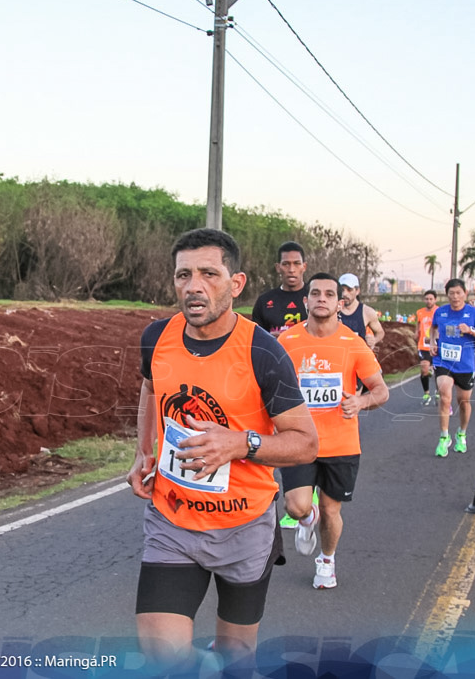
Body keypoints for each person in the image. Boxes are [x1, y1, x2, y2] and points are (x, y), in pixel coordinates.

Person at [126, 229, 318, 672]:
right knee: (161, 654)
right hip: (173, 520)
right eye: (184, 275)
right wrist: (143, 450)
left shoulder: (262, 352)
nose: (194, 286)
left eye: (209, 274)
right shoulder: (157, 338)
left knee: (236, 658)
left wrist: (241, 443)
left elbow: (306, 443)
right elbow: (150, 389)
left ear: (236, 284)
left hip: (244, 526)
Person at [278, 273, 388, 589]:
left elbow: (381, 390)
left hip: (341, 442)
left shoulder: (353, 343)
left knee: (330, 510)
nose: (321, 298)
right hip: (299, 439)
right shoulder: (288, 341)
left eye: (329, 294)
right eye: (315, 293)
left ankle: (326, 561)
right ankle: (305, 520)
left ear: (339, 303)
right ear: (306, 301)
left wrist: (361, 401)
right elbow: (271, 386)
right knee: (297, 505)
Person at [430, 279, 475, 457]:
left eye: (458, 293)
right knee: (445, 396)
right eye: (451, 293)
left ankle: (461, 434)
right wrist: (433, 342)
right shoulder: (440, 312)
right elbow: (433, 328)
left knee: (463, 402)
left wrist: (471, 331)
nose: (455, 297)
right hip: (443, 361)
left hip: (465, 363)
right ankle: (443, 437)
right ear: (446, 294)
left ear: (465, 293)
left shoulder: (474, 313)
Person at [250, 241, 308, 337]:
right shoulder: (264, 301)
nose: (291, 270)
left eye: (297, 263)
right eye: (286, 264)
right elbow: (256, 339)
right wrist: (271, 339)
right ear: (278, 267)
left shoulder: (315, 297)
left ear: (304, 267)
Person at [337, 273, 386, 351]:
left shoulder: (367, 312)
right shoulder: (333, 310)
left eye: (349, 290)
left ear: (357, 291)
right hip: (338, 355)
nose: (344, 294)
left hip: (358, 356)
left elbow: (380, 332)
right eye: (342, 290)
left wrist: (373, 340)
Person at [414, 290, 439, 405]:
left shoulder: (439, 312)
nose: (428, 301)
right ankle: (426, 393)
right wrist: (416, 333)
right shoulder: (420, 312)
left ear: (435, 300)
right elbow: (418, 325)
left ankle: (438, 392)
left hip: (436, 345)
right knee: (424, 369)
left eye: (431, 299)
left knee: (438, 371)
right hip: (423, 345)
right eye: (427, 299)